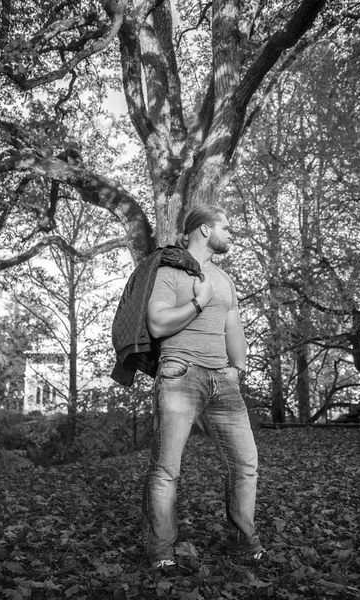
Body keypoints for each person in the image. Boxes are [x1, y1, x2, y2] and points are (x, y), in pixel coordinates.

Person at [142, 205, 264, 574]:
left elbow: (233, 326)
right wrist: (198, 300)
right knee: (167, 469)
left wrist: (238, 368)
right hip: (180, 374)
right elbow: (158, 323)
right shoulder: (169, 272)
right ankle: (161, 550)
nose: (232, 234)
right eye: (226, 228)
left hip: (222, 380)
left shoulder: (224, 279)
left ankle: (243, 540)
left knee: (246, 464)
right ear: (205, 230)